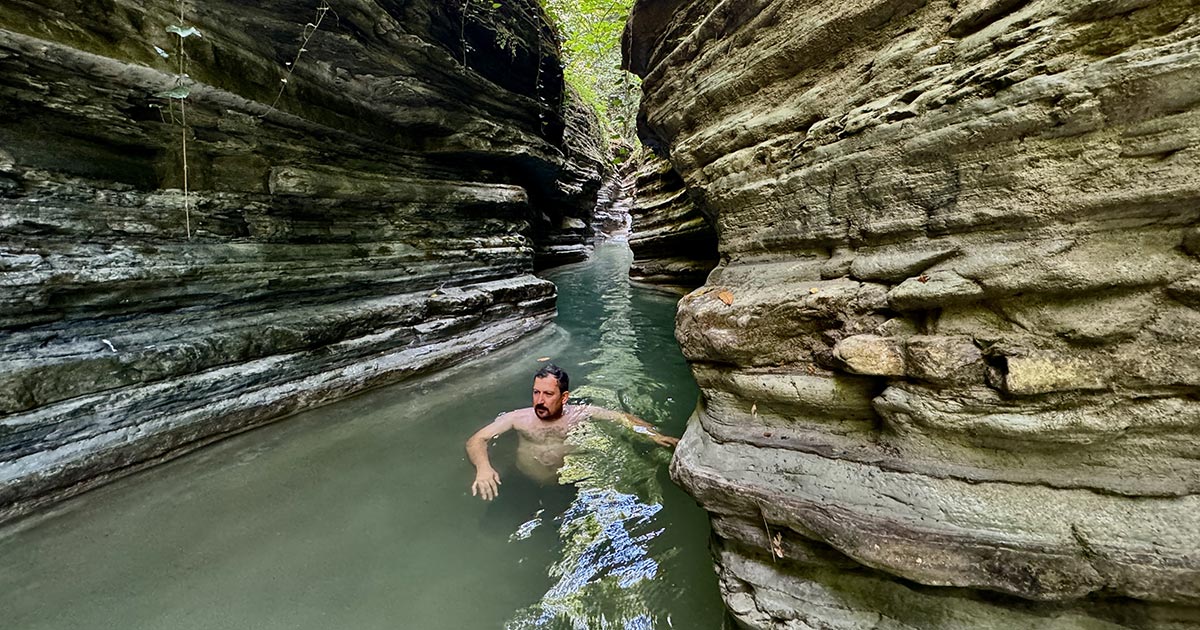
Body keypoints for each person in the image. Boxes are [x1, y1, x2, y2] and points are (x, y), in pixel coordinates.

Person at [466, 364, 680, 501]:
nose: (539, 400)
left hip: (563, 485)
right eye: (536, 392)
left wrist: (653, 435)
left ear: (564, 397)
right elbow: (477, 439)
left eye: (548, 394)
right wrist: (483, 468)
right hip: (522, 480)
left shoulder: (581, 414)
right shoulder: (517, 418)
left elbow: (623, 418)